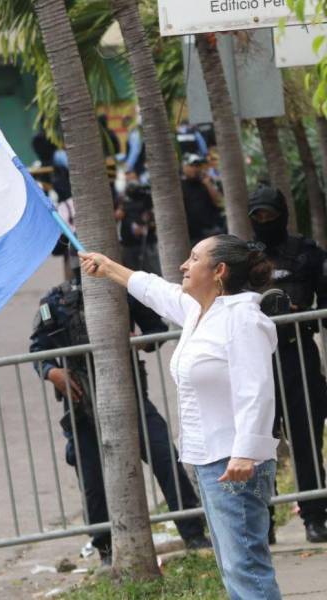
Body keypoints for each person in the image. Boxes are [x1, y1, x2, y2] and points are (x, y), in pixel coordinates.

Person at [81, 236, 282, 599]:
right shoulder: (198, 313)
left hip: (234, 463)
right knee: (233, 567)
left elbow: (258, 389)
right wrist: (108, 267)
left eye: (193, 258)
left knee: (246, 568)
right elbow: (156, 290)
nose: (183, 266)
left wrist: (245, 453)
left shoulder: (242, 319)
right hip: (211, 461)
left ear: (218, 270)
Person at [30, 282, 209, 565]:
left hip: (129, 398)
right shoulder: (52, 302)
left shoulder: (118, 292)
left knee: (165, 458)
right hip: (80, 404)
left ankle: (194, 533)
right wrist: (53, 373)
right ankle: (106, 549)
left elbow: (156, 331)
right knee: (92, 480)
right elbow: (38, 350)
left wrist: (138, 339)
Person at [248, 185, 327, 543]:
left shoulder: (308, 254)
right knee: (260, 443)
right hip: (257, 361)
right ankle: (263, 522)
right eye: (258, 216)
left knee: (307, 438)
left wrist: (301, 314)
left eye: (269, 215)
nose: (264, 222)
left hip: (298, 354)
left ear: (282, 214)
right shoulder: (242, 258)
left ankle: (315, 516)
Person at [181, 154, 225, 245]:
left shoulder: (207, 182)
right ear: (184, 167)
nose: (196, 168)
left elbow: (220, 203)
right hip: (192, 235)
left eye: (198, 166)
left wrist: (208, 184)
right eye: (192, 165)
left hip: (212, 230)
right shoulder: (179, 186)